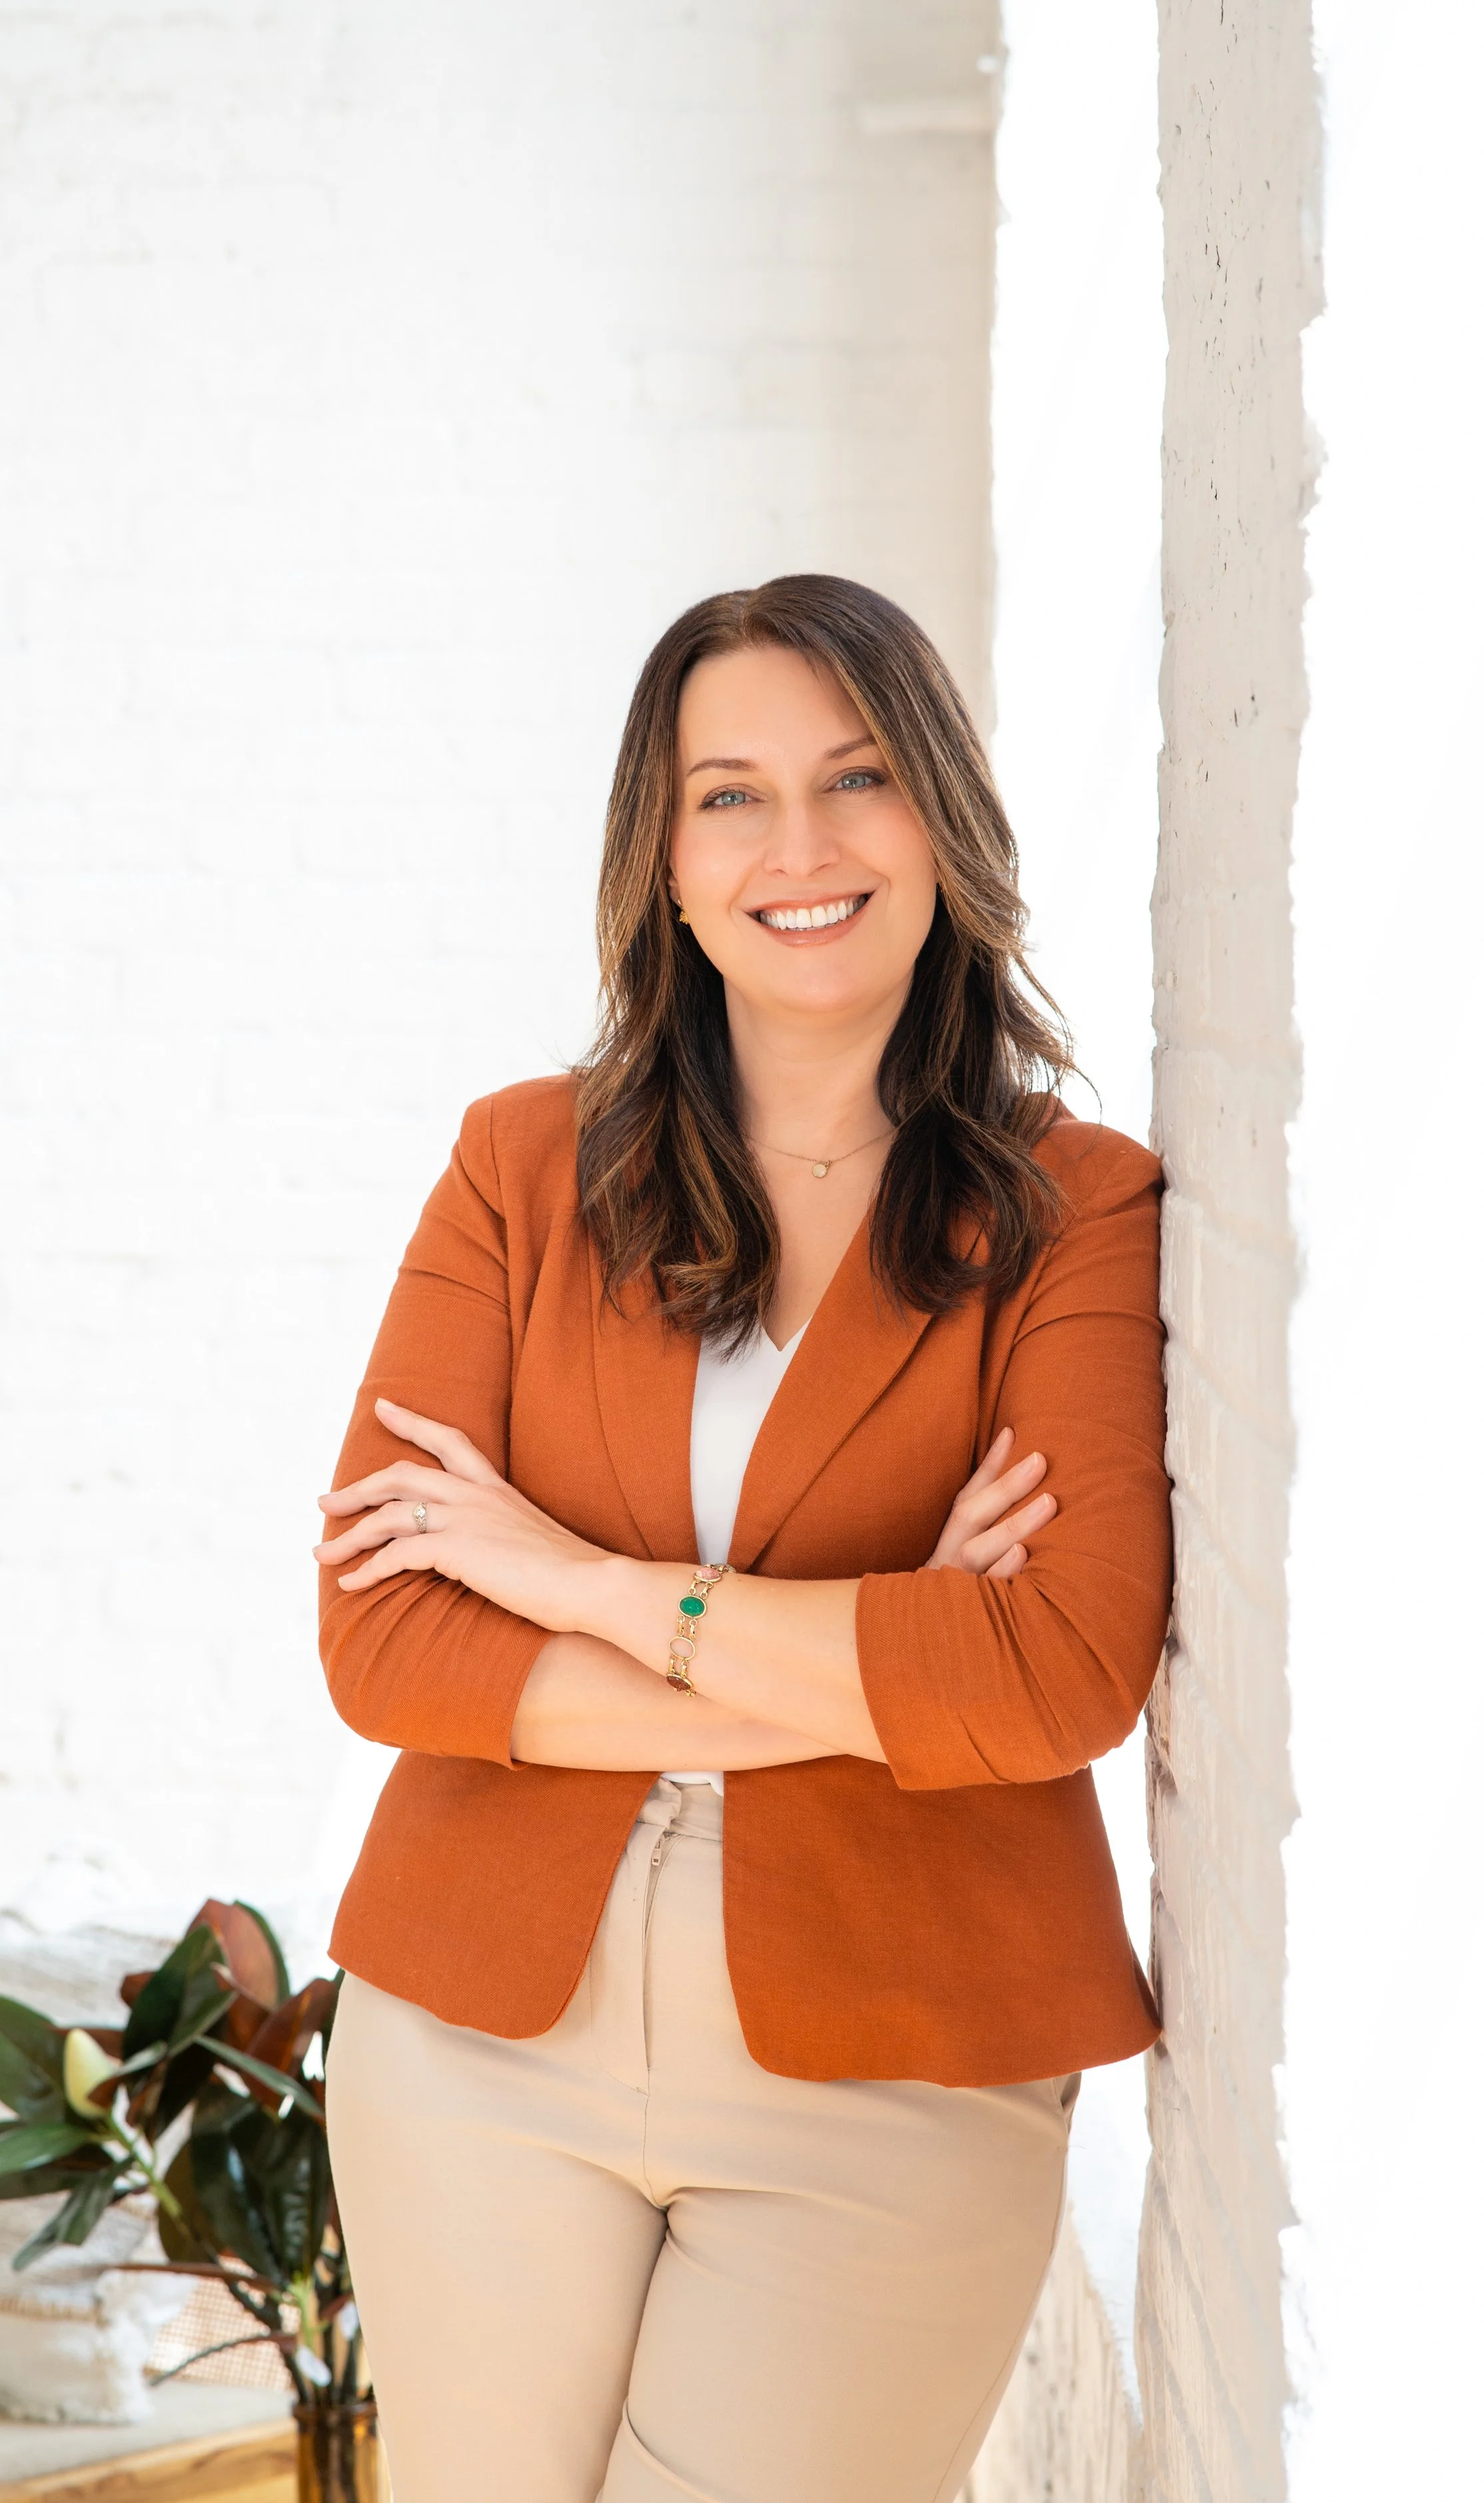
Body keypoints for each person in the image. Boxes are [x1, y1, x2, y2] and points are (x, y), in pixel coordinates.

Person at [315, 574, 1170, 2503]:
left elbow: (1059, 1675)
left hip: (897, 2051)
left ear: (940, 815)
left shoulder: (1075, 1209)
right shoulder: (522, 1165)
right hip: (474, 2035)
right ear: (665, 860)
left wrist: (573, 1581)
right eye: (728, 793)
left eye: (854, 776)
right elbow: (386, 1644)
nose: (797, 844)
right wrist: (878, 1661)